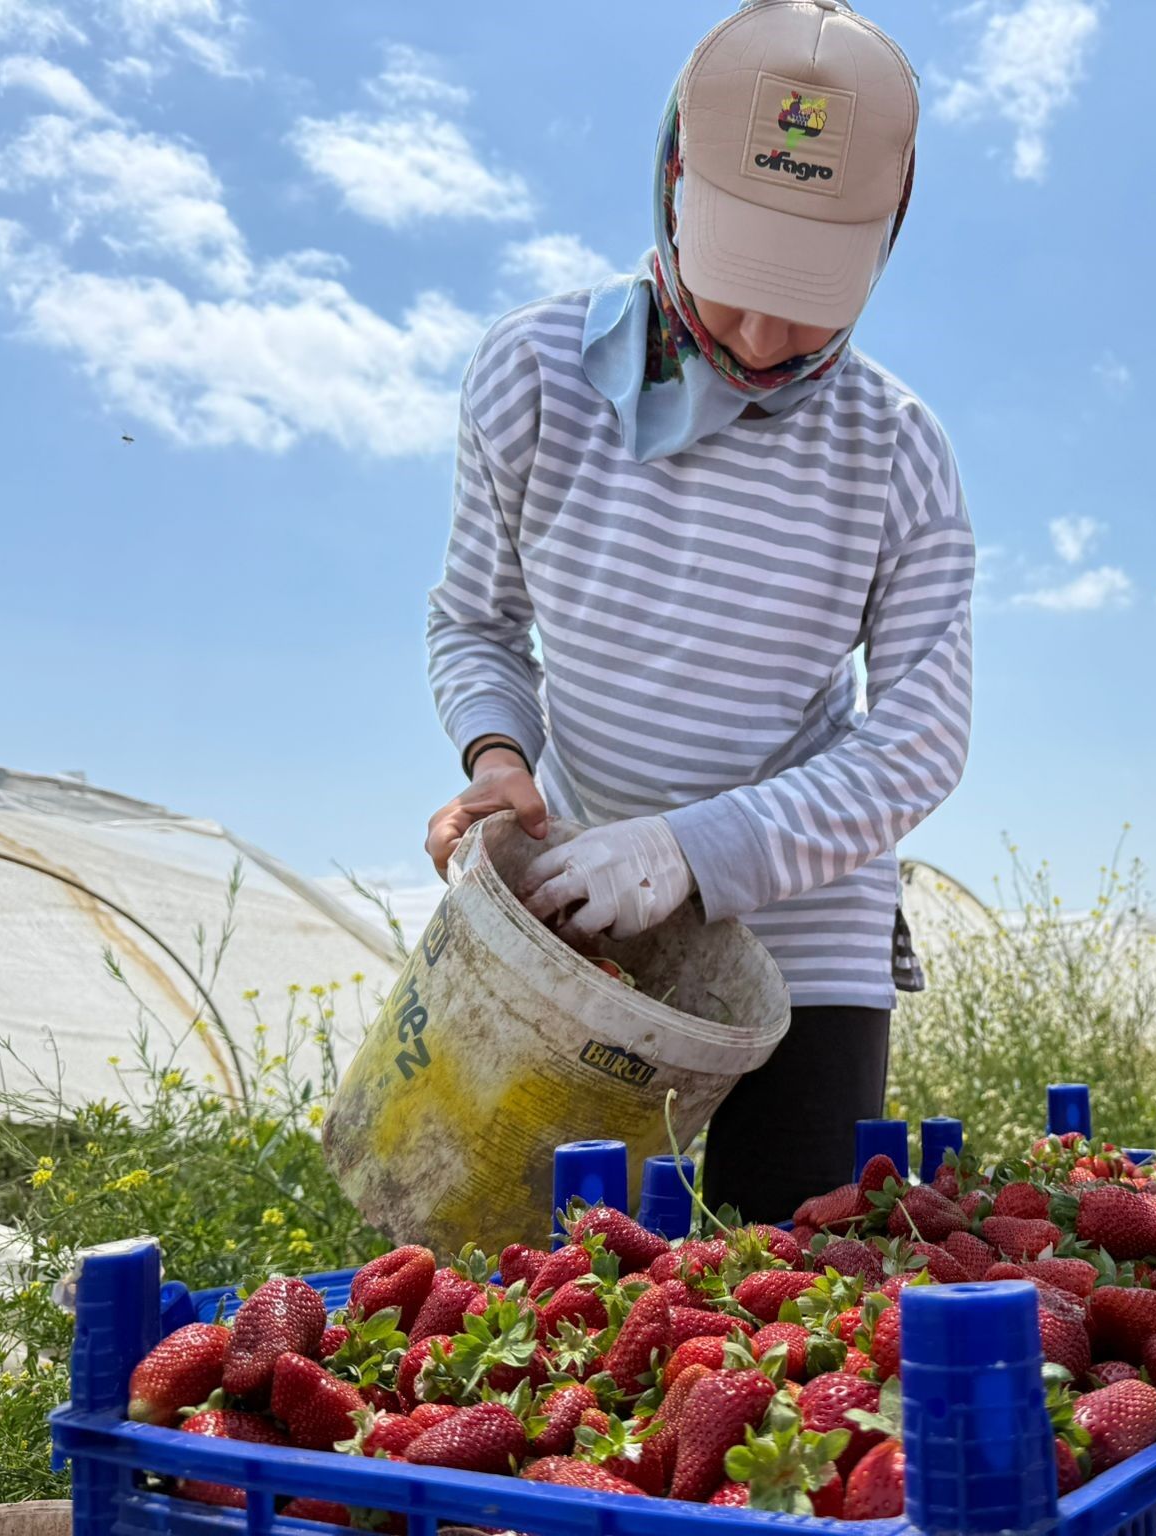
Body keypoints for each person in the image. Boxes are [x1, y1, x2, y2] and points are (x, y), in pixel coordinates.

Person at [421, 0, 974, 1222]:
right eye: (739, 281)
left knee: (788, 1275)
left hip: (805, 927)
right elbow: (475, 619)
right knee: (542, 1277)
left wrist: (690, 850)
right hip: (585, 913)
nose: (769, 335)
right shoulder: (533, 374)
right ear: (673, 186)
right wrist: (497, 756)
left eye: (816, 288)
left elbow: (922, 737)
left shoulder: (898, 451)